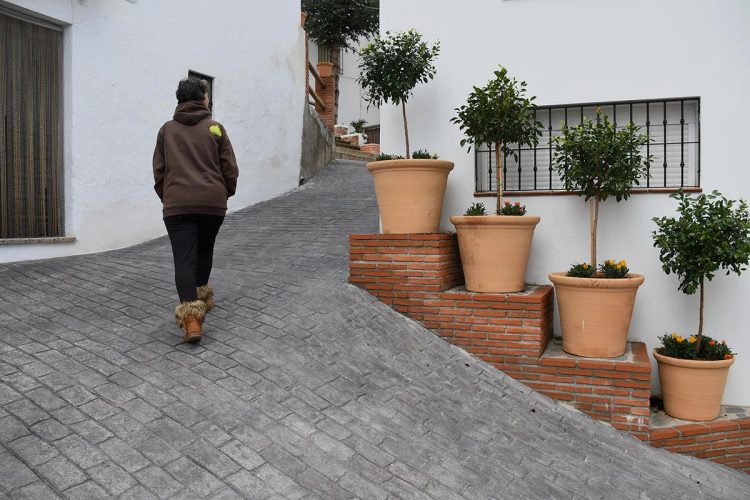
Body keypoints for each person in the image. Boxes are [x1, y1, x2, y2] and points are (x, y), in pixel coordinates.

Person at [153, 77, 239, 343]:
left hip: (177, 205)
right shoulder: (215, 128)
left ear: (179, 100)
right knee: (204, 250)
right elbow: (230, 170)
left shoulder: (166, 130)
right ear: (204, 98)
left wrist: (169, 197)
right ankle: (202, 301)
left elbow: (159, 172)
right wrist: (224, 193)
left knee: (184, 259)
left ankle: (192, 322)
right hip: (212, 204)